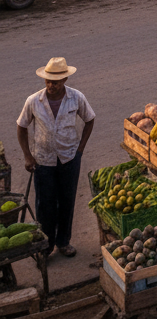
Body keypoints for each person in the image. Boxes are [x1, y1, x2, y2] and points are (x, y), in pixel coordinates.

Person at [17, 57, 95, 257]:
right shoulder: (34, 101)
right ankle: (46, 246)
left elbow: (89, 120)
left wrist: (80, 150)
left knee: (67, 201)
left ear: (65, 80)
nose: (51, 85)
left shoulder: (76, 98)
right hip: (43, 161)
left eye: (56, 81)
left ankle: (63, 242)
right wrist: (27, 156)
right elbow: (21, 126)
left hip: (69, 158)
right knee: (45, 205)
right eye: (48, 80)